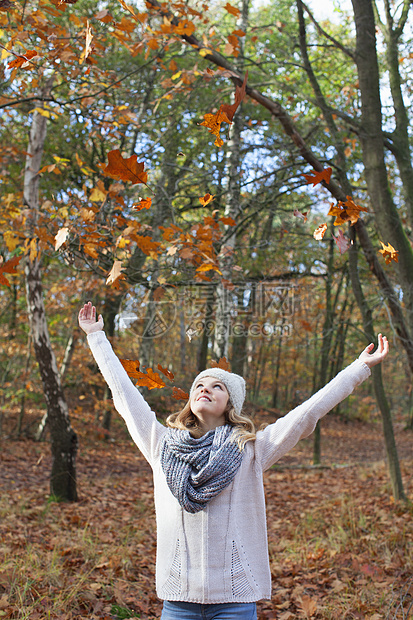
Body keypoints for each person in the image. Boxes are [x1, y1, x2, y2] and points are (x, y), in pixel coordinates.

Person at [78, 301, 389, 620]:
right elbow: (125, 399)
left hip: (234, 600)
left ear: (231, 404)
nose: (205, 389)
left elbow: (307, 413)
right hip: (178, 601)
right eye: (199, 385)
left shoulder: (251, 450)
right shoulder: (162, 446)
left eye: (217, 387)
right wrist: (96, 337)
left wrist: (359, 368)